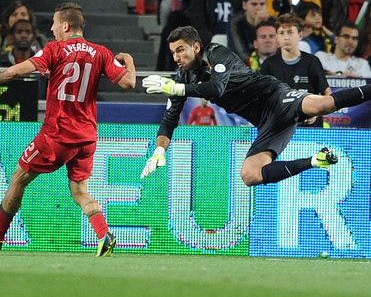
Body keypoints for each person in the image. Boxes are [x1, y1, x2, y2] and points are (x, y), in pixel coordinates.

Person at [0, 2, 136, 257]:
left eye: (54, 23)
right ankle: (104, 234)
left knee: (19, 178)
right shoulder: (101, 53)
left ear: (66, 26)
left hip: (57, 134)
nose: (51, 28)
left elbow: (18, 70)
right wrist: (130, 61)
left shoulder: (55, 49)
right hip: (87, 137)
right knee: (80, 191)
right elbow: (129, 83)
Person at [141, 25, 371, 186]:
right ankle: (316, 160)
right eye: (173, 52)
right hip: (266, 122)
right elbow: (170, 119)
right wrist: (159, 150)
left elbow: (217, 88)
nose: (176, 57)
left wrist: (176, 88)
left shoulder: (215, 53)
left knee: (324, 106)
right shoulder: (182, 79)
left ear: (196, 47)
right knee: (250, 175)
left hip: (275, 97)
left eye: (181, 50)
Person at [260, 14, 330, 127]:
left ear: (300, 35)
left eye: (290, 32)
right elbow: (260, 96)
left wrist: (317, 113)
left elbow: (327, 93)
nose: (286, 37)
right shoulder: (269, 65)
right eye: (281, 33)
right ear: (277, 37)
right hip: (280, 127)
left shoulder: (312, 61)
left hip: (310, 128)